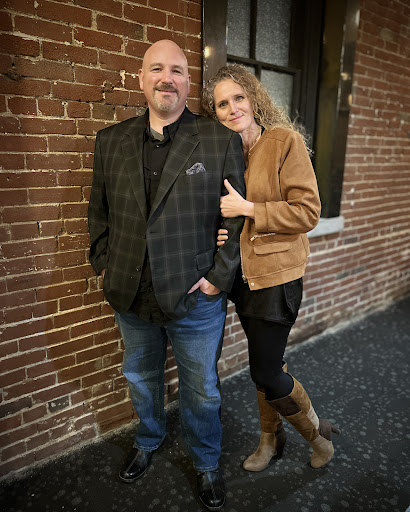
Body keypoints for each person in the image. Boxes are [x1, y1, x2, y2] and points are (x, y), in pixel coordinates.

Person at [88, 41, 245, 511]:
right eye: (156, 69)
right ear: (141, 78)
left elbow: (235, 218)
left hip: (196, 295)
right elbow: (99, 213)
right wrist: (104, 264)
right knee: (140, 376)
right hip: (130, 291)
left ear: (188, 82)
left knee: (202, 388)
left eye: (177, 70)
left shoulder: (218, 140)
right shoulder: (110, 141)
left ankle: (206, 461)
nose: (166, 78)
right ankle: (148, 438)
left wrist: (218, 277)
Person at [202, 64, 339, 473]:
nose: (232, 108)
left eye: (238, 98)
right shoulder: (224, 152)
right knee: (269, 366)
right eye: (222, 104)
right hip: (242, 278)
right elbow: (223, 215)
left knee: (264, 370)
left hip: (277, 278)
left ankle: (319, 438)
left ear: (254, 99)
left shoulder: (283, 141)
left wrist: (248, 209)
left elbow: (307, 211)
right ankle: (270, 438)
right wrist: (220, 232)